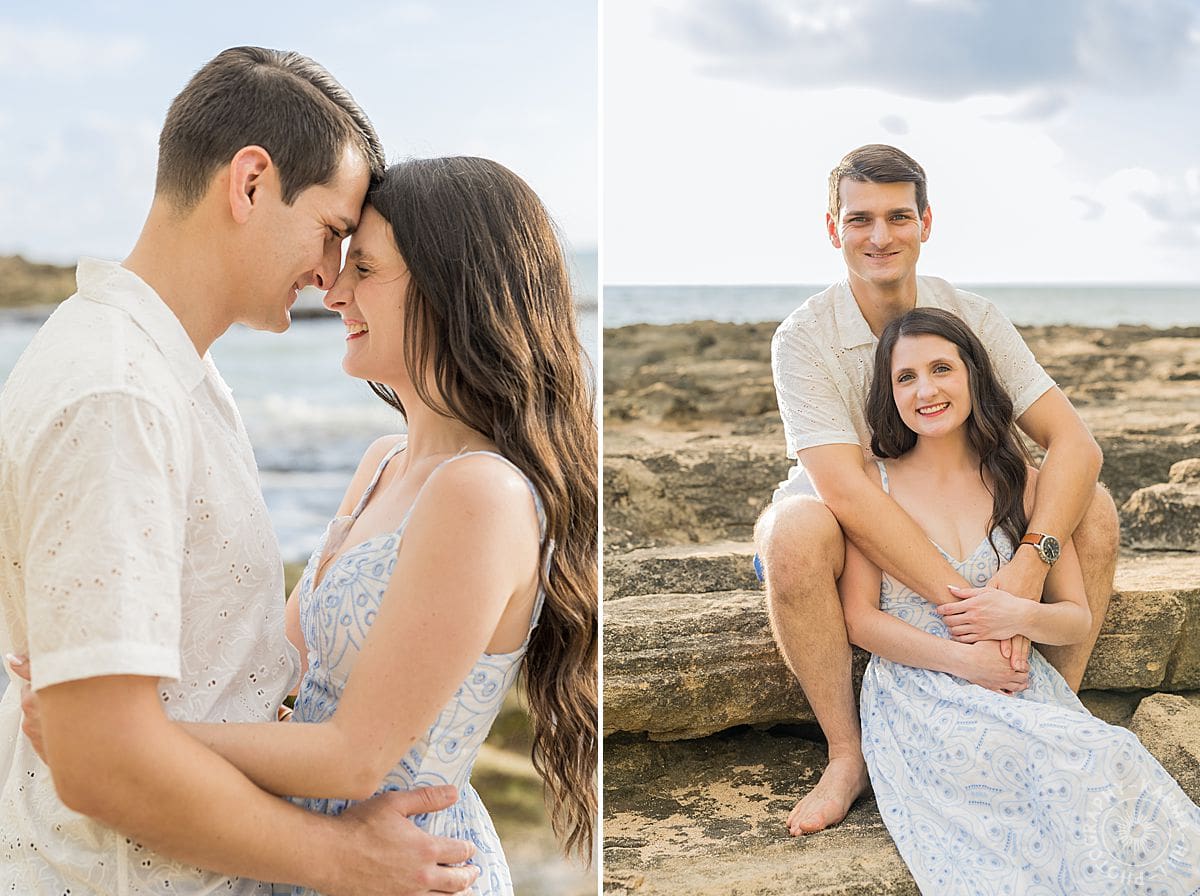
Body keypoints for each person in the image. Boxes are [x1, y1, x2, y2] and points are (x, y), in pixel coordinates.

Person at [15, 157, 599, 895]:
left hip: (398, 863)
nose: (335, 289)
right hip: (311, 850)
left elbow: (352, 757)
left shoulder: (480, 494)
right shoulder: (383, 465)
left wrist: (119, 743)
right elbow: (282, 679)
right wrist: (99, 660)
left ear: (451, 287)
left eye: (365, 268)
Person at [0, 47, 479, 895]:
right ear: (250, 184)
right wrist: (345, 859)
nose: (331, 279)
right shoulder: (120, 394)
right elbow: (101, 761)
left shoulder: (176, 374)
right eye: (333, 233)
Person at [754, 144, 1120, 836]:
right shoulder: (802, 338)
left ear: (926, 222)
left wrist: (1025, 568)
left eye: (898, 216)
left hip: (966, 509)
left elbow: (1076, 444)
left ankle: (1050, 708)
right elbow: (846, 492)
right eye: (860, 220)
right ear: (834, 230)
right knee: (792, 533)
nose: (881, 236)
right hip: (848, 526)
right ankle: (845, 754)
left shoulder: (971, 318)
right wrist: (976, 610)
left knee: (1091, 511)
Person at [846, 306, 1200, 893]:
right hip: (918, 693)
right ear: (889, 391)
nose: (926, 390)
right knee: (1063, 769)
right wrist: (963, 659)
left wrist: (1017, 613)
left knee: (1111, 755)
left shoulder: (1025, 482)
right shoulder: (874, 486)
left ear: (973, 377)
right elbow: (860, 619)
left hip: (1021, 684)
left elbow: (1074, 618)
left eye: (941, 369)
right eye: (905, 377)